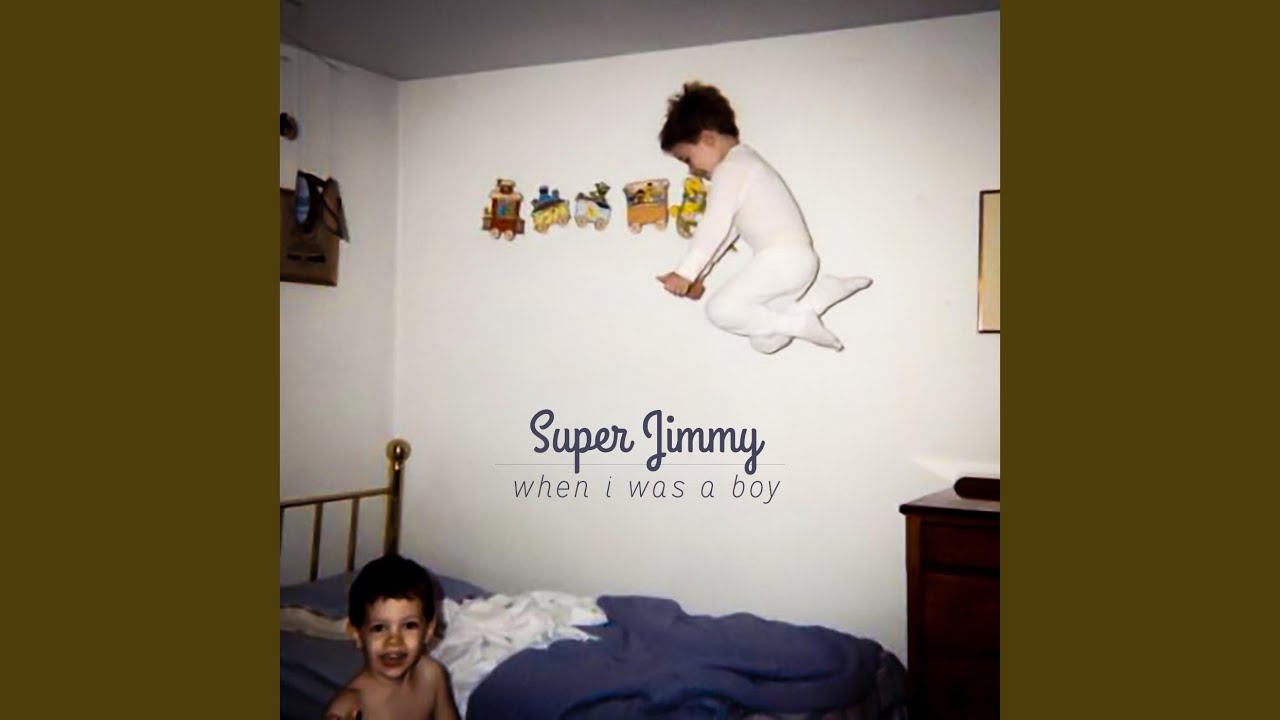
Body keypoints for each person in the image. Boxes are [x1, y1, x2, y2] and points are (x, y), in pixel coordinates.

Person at [655, 82, 873, 354]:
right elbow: (727, 233)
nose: (691, 170)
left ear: (707, 138)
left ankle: (803, 316)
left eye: (688, 158)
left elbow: (714, 224)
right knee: (764, 342)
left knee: (720, 310)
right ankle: (818, 298)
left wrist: (685, 272)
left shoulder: (732, 168)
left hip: (783, 259)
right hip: (793, 264)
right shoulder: (744, 165)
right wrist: (698, 276)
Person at [324, 554, 460, 720]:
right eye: (379, 628)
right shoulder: (351, 706)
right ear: (357, 634)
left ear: (428, 630)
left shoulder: (432, 676)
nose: (394, 642)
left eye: (409, 625)